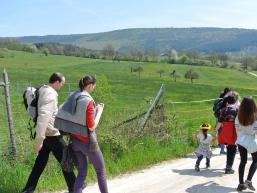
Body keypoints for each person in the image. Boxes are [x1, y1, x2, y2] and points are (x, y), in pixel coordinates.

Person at [21, 73, 76, 193]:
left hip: (47, 134)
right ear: (57, 82)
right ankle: (75, 187)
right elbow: (43, 118)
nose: (62, 86)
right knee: (65, 160)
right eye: (62, 83)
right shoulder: (50, 95)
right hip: (51, 134)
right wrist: (40, 140)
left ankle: (28, 189)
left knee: (40, 163)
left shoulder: (43, 89)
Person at [56, 75, 108, 193]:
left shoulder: (73, 96)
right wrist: (99, 111)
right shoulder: (88, 101)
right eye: (94, 86)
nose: (93, 88)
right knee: (101, 170)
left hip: (74, 141)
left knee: (82, 173)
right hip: (87, 143)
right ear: (90, 85)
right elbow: (91, 126)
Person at [235, 96, 257, 191]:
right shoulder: (255, 116)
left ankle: (240, 184)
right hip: (251, 141)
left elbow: (237, 130)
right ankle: (248, 181)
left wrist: (238, 140)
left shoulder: (238, 116)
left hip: (241, 140)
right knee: (255, 160)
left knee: (242, 162)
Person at [213, 95, 238, 174]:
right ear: (235, 102)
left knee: (228, 148)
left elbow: (220, 122)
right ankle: (229, 167)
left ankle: (228, 166)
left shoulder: (223, 110)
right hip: (234, 130)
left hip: (225, 130)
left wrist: (215, 130)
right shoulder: (237, 110)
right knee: (233, 148)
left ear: (227, 102)